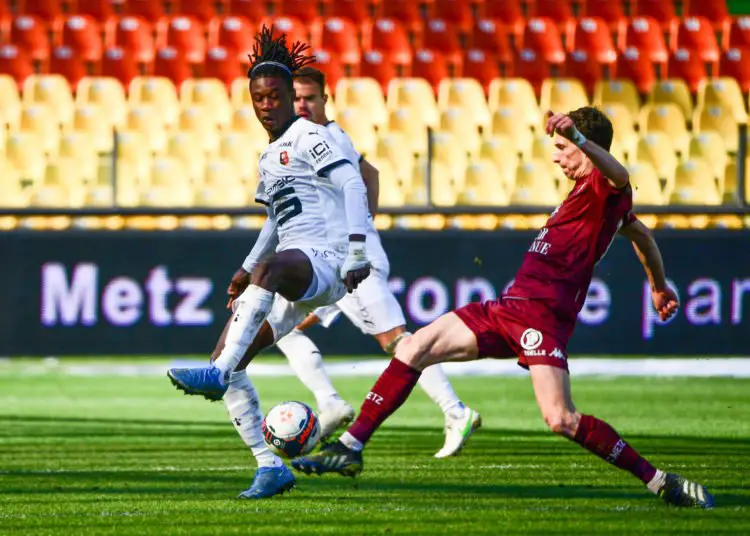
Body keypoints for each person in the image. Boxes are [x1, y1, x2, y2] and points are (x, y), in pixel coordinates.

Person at [291, 107, 714, 509]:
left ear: (585, 148)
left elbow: (621, 176)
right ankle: (350, 447)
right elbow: (643, 237)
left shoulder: (605, 187)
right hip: (507, 308)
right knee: (413, 348)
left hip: (542, 318)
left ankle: (660, 481)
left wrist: (579, 137)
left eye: (563, 149)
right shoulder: (585, 197)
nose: (557, 157)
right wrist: (658, 286)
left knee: (561, 419)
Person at [167, 26, 372, 499]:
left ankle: (216, 379)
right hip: (291, 268)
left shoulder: (309, 136)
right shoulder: (268, 155)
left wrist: (358, 250)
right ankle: (269, 466)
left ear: (289, 97)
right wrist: (245, 268)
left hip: (327, 260)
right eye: (257, 97)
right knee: (227, 356)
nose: (266, 104)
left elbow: (353, 186)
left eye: (274, 95)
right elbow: (277, 221)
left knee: (271, 272)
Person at [271, 67, 481, 457]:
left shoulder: (327, 137)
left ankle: (456, 410)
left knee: (398, 340)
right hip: (330, 259)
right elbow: (370, 171)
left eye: (310, 97)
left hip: (350, 261)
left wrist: (362, 234)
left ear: (324, 100)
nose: (302, 104)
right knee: (282, 326)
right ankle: (330, 402)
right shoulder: (319, 138)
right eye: (296, 97)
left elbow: (364, 178)